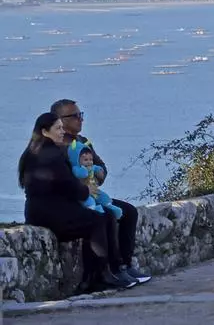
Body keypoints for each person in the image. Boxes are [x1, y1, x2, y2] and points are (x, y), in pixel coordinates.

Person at [19, 113, 137, 292]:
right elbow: (69, 185)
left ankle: (104, 273)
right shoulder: (51, 154)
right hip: (50, 212)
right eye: (58, 128)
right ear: (44, 131)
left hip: (40, 210)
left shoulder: (32, 152)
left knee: (103, 216)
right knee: (97, 220)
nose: (62, 131)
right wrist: (86, 191)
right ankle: (98, 276)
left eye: (62, 127)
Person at [51, 99, 151, 283]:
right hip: (75, 200)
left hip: (93, 195)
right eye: (75, 116)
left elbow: (100, 167)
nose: (80, 119)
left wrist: (97, 174)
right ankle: (111, 269)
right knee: (106, 216)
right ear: (60, 120)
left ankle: (126, 264)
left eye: (81, 115)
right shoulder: (57, 147)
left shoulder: (83, 142)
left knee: (129, 212)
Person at [69, 145, 124, 218]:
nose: (89, 162)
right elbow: (81, 174)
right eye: (86, 160)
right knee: (90, 201)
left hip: (94, 190)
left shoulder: (92, 166)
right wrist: (85, 171)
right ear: (77, 160)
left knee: (103, 197)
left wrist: (100, 172)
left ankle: (110, 207)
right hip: (83, 193)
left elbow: (99, 167)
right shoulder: (77, 169)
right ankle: (94, 211)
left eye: (91, 159)